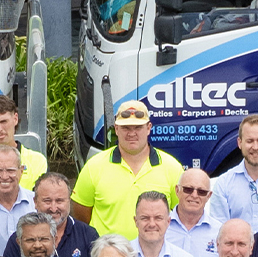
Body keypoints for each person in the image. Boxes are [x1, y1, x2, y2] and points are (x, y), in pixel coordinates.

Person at [71, 100, 183, 239]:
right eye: (126, 128)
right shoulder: (94, 166)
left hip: (153, 255)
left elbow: (181, 215)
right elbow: (81, 214)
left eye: (138, 127)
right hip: (107, 256)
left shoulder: (171, 167)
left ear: (148, 128)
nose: (132, 133)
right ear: (116, 129)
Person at [4, 171, 99, 257]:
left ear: (69, 200)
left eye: (59, 201)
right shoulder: (20, 238)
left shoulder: (88, 235)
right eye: (47, 201)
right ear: (35, 202)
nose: (53, 208)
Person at [166, 168, 224, 257]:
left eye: (201, 192)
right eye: (188, 189)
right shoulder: (160, 228)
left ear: (208, 196)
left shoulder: (220, 232)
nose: (194, 195)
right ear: (177, 191)